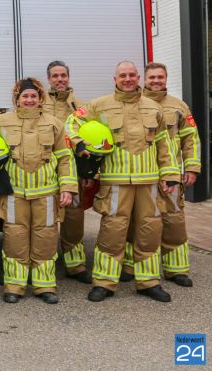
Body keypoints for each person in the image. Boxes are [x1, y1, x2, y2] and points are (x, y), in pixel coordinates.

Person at [66, 61, 180, 302]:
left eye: (131, 75)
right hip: (115, 183)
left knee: (149, 232)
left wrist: (170, 174)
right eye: (123, 75)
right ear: (115, 79)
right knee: (112, 232)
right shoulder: (99, 105)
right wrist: (80, 144)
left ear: (138, 78)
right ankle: (104, 283)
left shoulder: (153, 107)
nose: (127, 79)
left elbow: (165, 143)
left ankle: (149, 282)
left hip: (149, 183)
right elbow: (71, 124)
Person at [0, 77, 77, 304]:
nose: (29, 100)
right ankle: (14, 286)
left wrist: (67, 187)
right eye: (25, 96)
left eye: (33, 96)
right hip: (13, 194)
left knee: (45, 238)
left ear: (40, 99)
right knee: (14, 239)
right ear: (17, 99)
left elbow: (65, 158)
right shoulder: (1, 121)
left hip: (46, 193)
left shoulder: (54, 123)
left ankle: (44, 286)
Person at [120, 62, 201, 287]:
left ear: (165, 79)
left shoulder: (179, 106)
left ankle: (176, 269)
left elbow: (191, 139)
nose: (156, 81)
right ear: (144, 79)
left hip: (171, 175)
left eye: (160, 77)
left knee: (173, 220)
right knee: (136, 221)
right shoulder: (133, 103)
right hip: (143, 174)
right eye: (152, 77)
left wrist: (191, 167)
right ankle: (131, 265)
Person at [41, 60, 90, 284]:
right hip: (44, 171)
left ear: (68, 77)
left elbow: (90, 139)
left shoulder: (80, 106)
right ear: (49, 79)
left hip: (73, 171)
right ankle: (45, 263)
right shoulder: (39, 102)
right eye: (55, 76)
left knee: (74, 217)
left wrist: (89, 173)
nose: (60, 79)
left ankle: (75, 265)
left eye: (63, 75)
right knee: (45, 218)